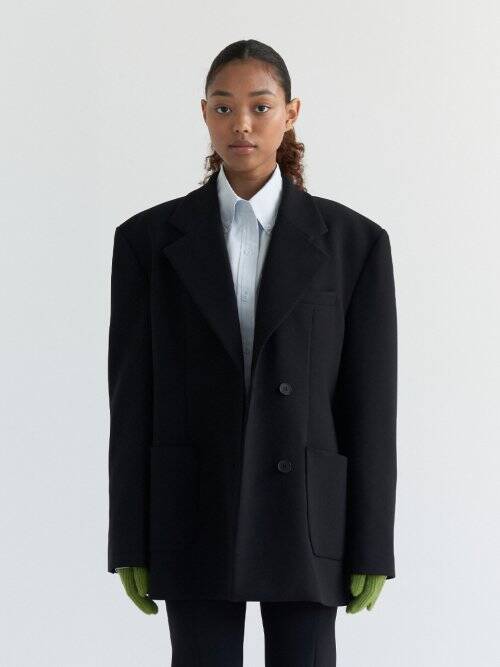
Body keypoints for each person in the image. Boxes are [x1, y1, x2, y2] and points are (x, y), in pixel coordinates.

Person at [108, 39, 398, 666]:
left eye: (260, 106)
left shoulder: (355, 244)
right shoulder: (145, 242)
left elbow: (370, 406)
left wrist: (372, 542)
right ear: (204, 113)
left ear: (290, 113)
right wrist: (129, 536)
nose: (241, 123)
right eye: (223, 107)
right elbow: (132, 401)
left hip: (308, 512)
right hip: (192, 504)